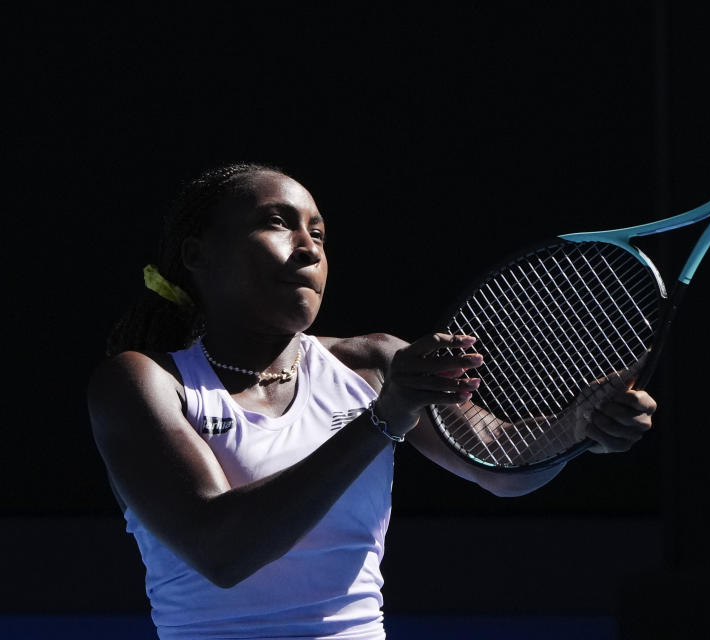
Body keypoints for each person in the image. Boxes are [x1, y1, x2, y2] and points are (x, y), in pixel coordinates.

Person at [87, 162, 657, 639]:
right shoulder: (142, 382)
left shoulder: (376, 363)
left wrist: (578, 424)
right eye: (276, 223)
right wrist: (383, 420)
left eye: (319, 232)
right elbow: (223, 552)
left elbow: (504, 467)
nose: (307, 247)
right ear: (197, 253)